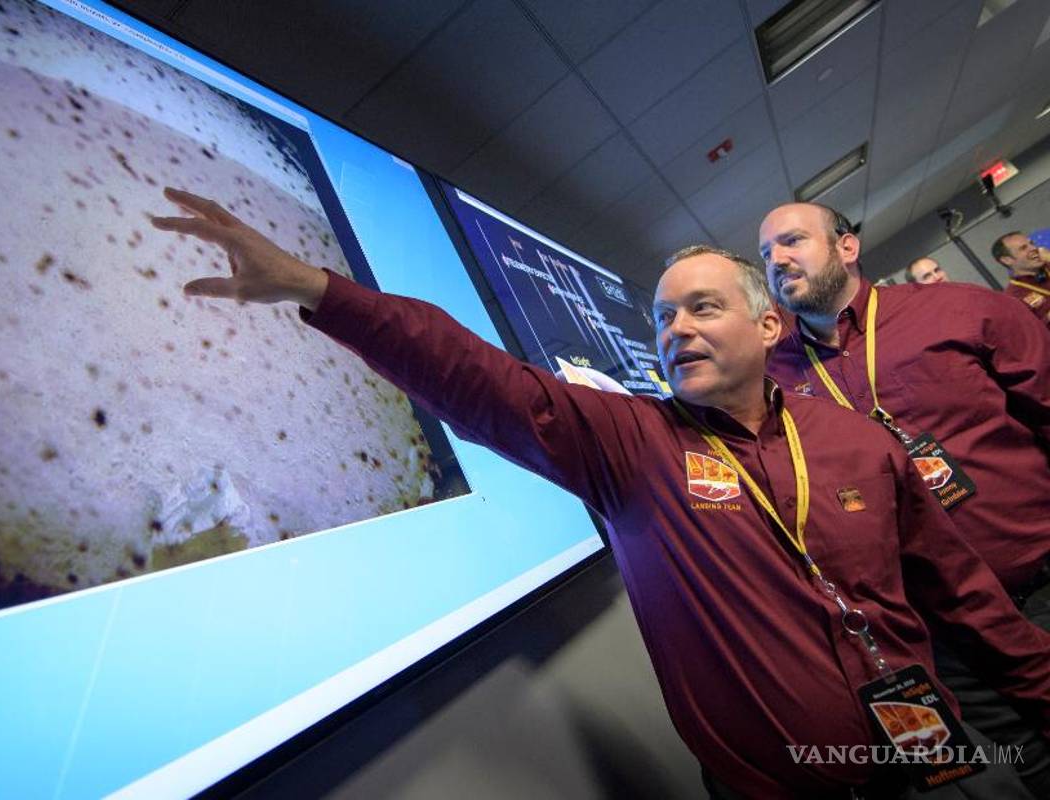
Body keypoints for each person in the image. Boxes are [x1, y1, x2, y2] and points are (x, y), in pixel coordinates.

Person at [151, 187, 1050, 799]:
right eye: (662, 317)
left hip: (945, 766)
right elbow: (478, 377)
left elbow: (964, 596)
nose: (676, 328)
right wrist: (317, 289)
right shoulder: (635, 446)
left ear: (768, 325)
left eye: (702, 307)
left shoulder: (852, 441)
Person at [761, 202, 1050, 794]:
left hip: (1041, 586)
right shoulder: (772, 383)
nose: (777, 260)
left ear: (847, 247)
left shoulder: (962, 310)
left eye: (792, 241)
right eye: (765, 255)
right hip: (947, 637)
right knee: (1036, 774)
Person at [992, 232, 1050, 328]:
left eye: (1031, 243)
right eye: (1023, 248)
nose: (1033, 248)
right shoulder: (1014, 298)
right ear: (1007, 260)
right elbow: (1034, 333)